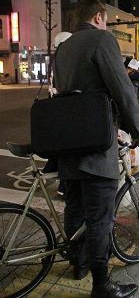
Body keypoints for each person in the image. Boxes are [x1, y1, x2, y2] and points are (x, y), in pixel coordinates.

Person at [53, 0, 139, 298]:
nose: (106, 25)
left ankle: (78, 264)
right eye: (106, 20)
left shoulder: (64, 47)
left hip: (68, 144)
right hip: (96, 144)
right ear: (98, 17)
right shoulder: (101, 40)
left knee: (75, 208)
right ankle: (101, 285)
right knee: (99, 219)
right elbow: (122, 89)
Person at [43, 31, 73, 197]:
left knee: (62, 149)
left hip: (55, 110)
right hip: (65, 110)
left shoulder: (53, 61)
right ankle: (64, 185)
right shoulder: (65, 61)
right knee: (68, 151)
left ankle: (52, 168)